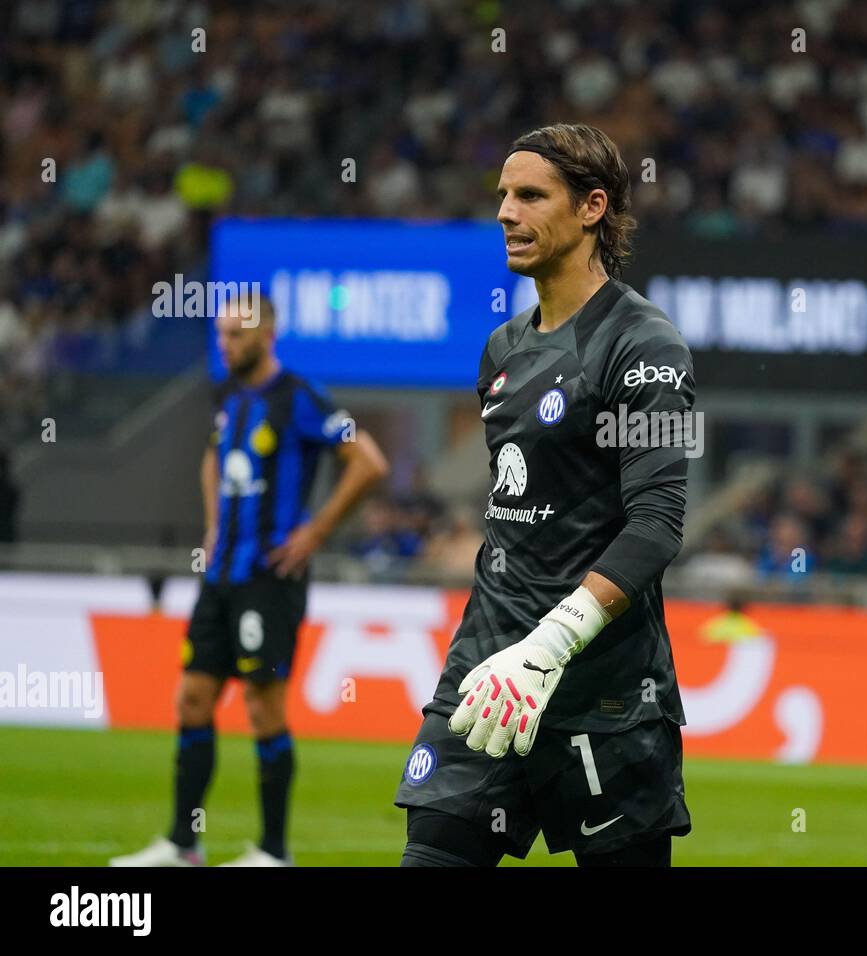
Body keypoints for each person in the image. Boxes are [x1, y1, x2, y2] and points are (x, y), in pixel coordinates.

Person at [394, 123, 694, 867]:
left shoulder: (644, 345)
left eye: (530, 195)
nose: (505, 211)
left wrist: (550, 645)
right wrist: (508, 651)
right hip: (491, 676)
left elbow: (657, 525)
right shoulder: (502, 349)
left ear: (593, 208)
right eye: (502, 194)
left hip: (605, 692)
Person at [110, 292, 389, 867]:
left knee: (264, 708)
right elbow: (213, 458)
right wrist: (213, 524)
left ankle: (273, 850)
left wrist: (315, 533)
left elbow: (369, 461)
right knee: (191, 698)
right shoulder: (229, 397)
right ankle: (183, 843)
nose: (225, 344)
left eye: (235, 334)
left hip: (270, 578)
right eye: (220, 335)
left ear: (266, 335)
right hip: (221, 576)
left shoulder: (301, 398)